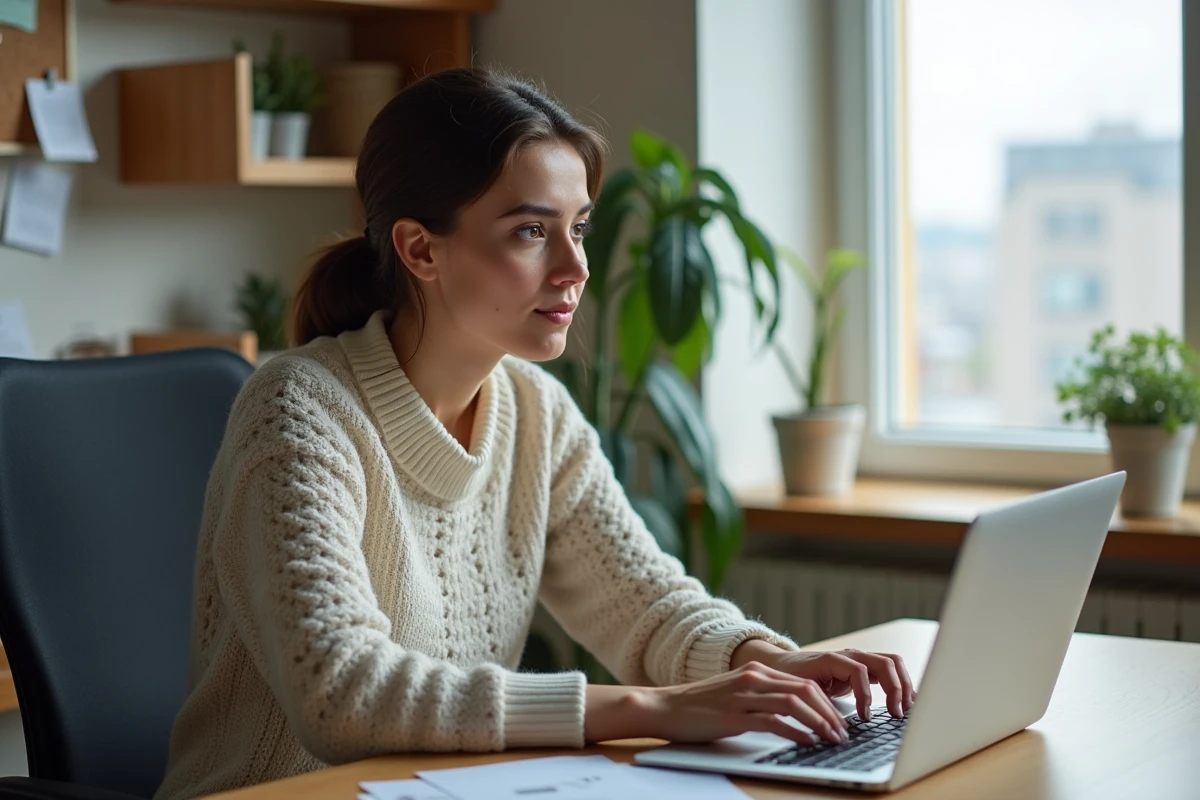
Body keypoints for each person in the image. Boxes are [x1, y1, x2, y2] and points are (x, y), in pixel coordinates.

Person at [155, 67, 914, 800]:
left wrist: (773, 665)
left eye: (578, 228)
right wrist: (646, 710)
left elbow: (646, 606)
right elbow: (339, 689)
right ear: (421, 249)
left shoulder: (534, 412)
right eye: (530, 232)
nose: (575, 267)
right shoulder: (300, 410)